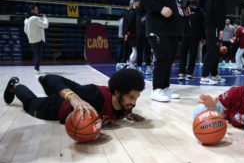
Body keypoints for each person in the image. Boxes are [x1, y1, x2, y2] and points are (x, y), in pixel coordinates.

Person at [3, 69, 145, 125]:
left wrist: (127, 114)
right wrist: (73, 97)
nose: (134, 103)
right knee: (30, 103)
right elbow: (51, 77)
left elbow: (119, 110)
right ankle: (14, 85)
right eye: (131, 98)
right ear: (117, 93)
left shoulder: (125, 106)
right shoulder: (93, 95)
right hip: (57, 108)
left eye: (136, 98)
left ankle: (48, 89)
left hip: (67, 106)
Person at [193, 70, 244, 144]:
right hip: (228, 114)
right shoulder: (235, 92)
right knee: (199, 110)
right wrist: (212, 106)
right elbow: (219, 106)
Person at [141, 0, 185, 102]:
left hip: (172, 30)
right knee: (162, 57)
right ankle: (156, 89)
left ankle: (165, 87)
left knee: (169, 59)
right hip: (158, 28)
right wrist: (160, 9)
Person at [200, 0, 226, 85]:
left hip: (211, 27)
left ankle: (215, 75)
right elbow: (219, 12)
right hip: (214, 27)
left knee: (215, 51)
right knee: (211, 51)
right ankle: (204, 76)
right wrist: (221, 28)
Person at [178, 0, 206, 81]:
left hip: (185, 35)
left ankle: (182, 73)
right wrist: (203, 38)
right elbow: (202, 26)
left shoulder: (184, 9)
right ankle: (188, 74)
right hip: (194, 36)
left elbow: (179, 22)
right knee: (192, 56)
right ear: (198, 1)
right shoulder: (200, 11)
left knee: (183, 55)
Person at [24, 5, 49, 74]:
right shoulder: (35, 18)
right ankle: (36, 68)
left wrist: (31, 36)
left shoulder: (26, 19)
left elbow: (25, 31)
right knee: (38, 54)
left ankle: (36, 67)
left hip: (31, 40)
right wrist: (45, 19)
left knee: (35, 54)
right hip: (38, 39)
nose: (37, 11)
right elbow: (45, 25)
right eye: (36, 9)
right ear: (32, 10)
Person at [136, 4, 152, 75]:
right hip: (145, 35)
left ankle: (139, 67)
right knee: (147, 52)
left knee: (139, 52)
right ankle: (148, 68)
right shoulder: (147, 15)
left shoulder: (137, 14)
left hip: (138, 35)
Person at [123, 0, 140, 69]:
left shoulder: (129, 12)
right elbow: (129, 23)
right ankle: (130, 64)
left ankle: (129, 63)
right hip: (132, 33)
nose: (140, 4)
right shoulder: (134, 12)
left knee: (133, 50)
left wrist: (126, 33)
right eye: (139, 3)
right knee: (135, 50)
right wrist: (127, 32)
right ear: (134, 3)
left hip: (130, 33)